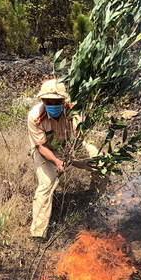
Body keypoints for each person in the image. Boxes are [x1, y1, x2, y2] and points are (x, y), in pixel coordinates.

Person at [27, 79, 102, 240]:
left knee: (102, 163)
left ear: (63, 100)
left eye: (56, 101)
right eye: (48, 101)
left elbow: (79, 133)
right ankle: (38, 234)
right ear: (43, 100)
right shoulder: (35, 116)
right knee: (46, 185)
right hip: (46, 152)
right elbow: (40, 146)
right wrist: (57, 162)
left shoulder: (73, 111)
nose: (52, 104)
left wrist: (75, 147)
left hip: (71, 148)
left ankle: (95, 200)